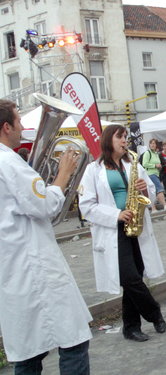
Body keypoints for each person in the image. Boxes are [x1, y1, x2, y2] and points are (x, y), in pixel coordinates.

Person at [0, 99, 92, 374]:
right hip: (35, 265)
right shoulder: (8, 161)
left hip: (13, 267)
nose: (23, 128)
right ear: (6, 127)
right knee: (74, 341)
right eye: (18, 122)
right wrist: (63, 175)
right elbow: (44, 206)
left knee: (29, 351)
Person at [79, 125, 166, 342]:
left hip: (137, 225)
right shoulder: (93, 170)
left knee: (133, 278)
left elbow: (151, 196)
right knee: (130, 278)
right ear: (108, 140)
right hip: (114, 229)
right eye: (120, 137)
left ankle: (131, 327)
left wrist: (145, 188)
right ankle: (154, 313)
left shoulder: (133, 163)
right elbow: (86, 205)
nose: (125, 140)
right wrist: (116, 214)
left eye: (126, 137)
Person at [142, 138, 166, 212]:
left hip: (156, 174)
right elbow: (144, 164)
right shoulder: (147, 153)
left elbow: (158, 164)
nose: (153, 145)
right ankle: (165, 205)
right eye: (151, 143)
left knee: (152, 192)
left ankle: (153, 208)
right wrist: (155, 166)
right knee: (159, 189)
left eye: (154, 143)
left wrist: (159, 166)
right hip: (150, 174)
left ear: (156, 145)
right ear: (149, 145)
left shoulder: (156, 154)